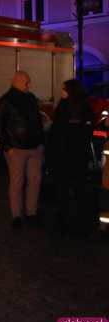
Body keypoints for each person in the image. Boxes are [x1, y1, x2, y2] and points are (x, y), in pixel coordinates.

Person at [0, 71, 45, 228]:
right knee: (17, 182)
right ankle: (16, 215)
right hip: (16, 149)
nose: (29, 85)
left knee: (34, 181)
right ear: (18, 81)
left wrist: (40, 141)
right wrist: (6, 146)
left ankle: (31, 213)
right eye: (27, 82)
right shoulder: (6, 101)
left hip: (34, 147)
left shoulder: (30, 98)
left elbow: (37, 120)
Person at [48, 79, 96, 236]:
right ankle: (72, 221)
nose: (61, 91)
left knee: (71, 189)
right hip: (72, 156)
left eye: (63, 88)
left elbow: (60, 132)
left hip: (70, 156)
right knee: (71, 189)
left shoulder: (72, 107)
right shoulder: (75, 106)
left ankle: (71, 222)